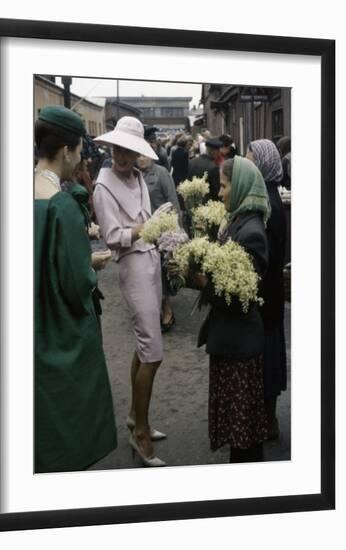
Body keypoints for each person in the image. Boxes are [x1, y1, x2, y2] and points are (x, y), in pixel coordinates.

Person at [34, 105, 116, 473]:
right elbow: (75, 282)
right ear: (66, 150)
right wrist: (91, 265)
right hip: (58, 327)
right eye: (80, 149)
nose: (81, 157)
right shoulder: (61, 206)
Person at [173, 156, 270, 463]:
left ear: (240, 186)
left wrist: (200, 280)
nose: (220, 193)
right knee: (240, 430)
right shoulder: (237, 220)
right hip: (232, 340)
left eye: (225, 186)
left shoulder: (251, 231)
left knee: (245, 437)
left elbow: (243, 292)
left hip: (239, 342)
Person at [93, 116, 170, 467]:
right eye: (117, 148)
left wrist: (164, 234)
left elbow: (149, 224)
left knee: (146, 344)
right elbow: (112, 237)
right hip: (132, 264)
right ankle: (138, 431)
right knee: (153, 352)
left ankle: (137, 419)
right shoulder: (102, 186)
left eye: (129, 149)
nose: (122, 156)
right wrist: (144, 228)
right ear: (110, 147)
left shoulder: (139, 177)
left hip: (151, 259)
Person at [247, 139, 288, 439]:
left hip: (269, 293)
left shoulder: (270, 203)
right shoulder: (266, 196)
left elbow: (268, 255)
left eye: (250, 159)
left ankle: (269, 421)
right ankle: (265, 417)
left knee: (270, 356)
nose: (247, 163)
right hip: (268, 292)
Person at [136, 153, 181, 332]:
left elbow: (173, 201)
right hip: (142, 231)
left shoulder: (161, 173)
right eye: (137, 156)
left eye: (144, 156)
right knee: (148, 272)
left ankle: (167, 310)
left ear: (151, 157)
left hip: (162, 230)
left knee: (162, 270)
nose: (140, 159)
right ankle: (154, 310)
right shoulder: (135, 175)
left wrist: (176, 229)